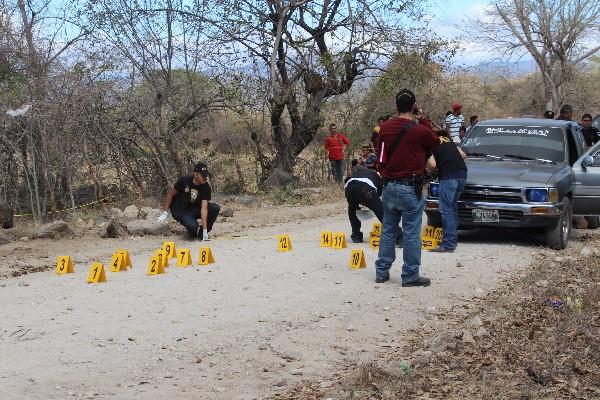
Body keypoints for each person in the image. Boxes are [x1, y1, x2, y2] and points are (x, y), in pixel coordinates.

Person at [374, 88, 440, 287]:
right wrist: (423, 119)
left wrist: (387, 174)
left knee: (388, 230)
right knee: (411, 232)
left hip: (389, 186)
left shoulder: (384, 128)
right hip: (410, 187)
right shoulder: (420, 130)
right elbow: (436, 141)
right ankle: (410, 276)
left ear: (396, 106)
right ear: (413, 107)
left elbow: (380, 158)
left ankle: (382, 272)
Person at [157, 162, 221, 240]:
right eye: (203, 175)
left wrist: (205, 230)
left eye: (206, 175)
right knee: (193, 227)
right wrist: (165, 213)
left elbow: (204, 208)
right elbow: (170, 194)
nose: (205, 178)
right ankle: (192, 232)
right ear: (196, 174)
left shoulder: (206, 187)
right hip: (181, 211)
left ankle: (202, 234)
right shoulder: (184, 181)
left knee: (215, 208)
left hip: (195, 209)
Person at [426, 132, 468, 253]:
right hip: (462, 175)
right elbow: (464, 155)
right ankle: (451, 241)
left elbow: (433, 165)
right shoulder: (449, 142)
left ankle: (448, 244)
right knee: (452, 208)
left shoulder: (431, 145)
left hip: (449, 177)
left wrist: (431, 168)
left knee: (446, 210)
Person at [344, 161, 403, 246]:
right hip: (365, 189)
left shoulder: (356, 173)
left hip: (349, 188)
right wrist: (373, 204)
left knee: (352, 209)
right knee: (381, 212)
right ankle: (399, 237)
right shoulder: (375, 174)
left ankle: (356, 235)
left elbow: (346, 181)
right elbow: (379, 193)